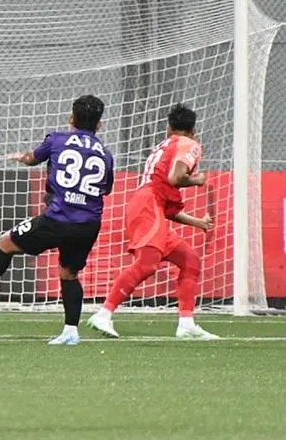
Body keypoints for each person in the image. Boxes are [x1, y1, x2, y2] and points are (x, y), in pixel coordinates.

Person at [0, 95, 114, 345]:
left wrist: (21, 157)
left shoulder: (57, 139)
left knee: (6, 242)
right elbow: (106, 189)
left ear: (71, 118)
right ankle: (70, 332)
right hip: (88, 225)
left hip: (58, 219)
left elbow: (31, 159)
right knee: (69, 273)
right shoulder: (105, 154)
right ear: (99, 124)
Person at [87, 104, 218, 340]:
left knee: (190, 260)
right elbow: (175, 178)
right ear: (193, 131)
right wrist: (197, 180)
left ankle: (186, 324)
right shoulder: (189, 144)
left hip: (149, 205)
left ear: (168, 128)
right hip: (149, 205)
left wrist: (197, 222)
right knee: (147, 264)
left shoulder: (166, 145)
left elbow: (167, 207)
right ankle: (103, 314)